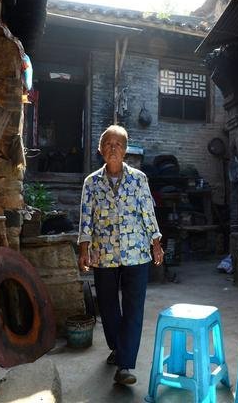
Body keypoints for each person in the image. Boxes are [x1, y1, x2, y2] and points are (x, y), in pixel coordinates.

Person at [77, 124, 164, 385]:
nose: (113, 148)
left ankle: (125, 365)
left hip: (136, 252)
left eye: (118, 145)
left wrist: (156, 243)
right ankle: (117, 347)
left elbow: (148, 212)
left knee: (134, 308)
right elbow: (85, 219)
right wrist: (84, 249)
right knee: (107, 306)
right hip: (103, 254)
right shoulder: (91, 182)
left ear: (125, 151)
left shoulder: (139, 179)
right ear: (100, 150)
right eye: (108, 144)